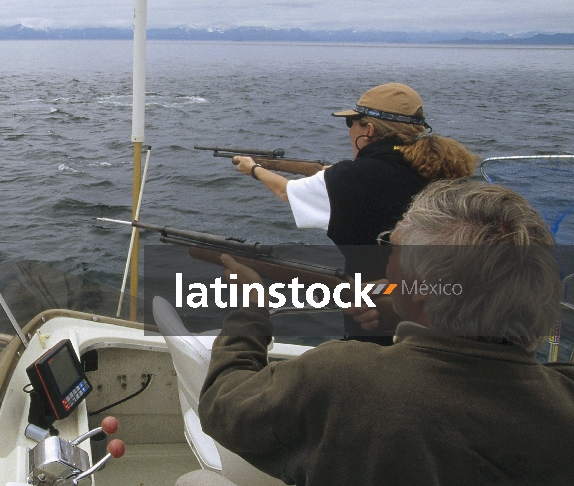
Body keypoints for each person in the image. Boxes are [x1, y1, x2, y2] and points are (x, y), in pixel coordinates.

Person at [199, 181, 574, 486]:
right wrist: (407, 305)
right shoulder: (560, 398)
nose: (386, 260)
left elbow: (222, 404)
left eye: (391, 247)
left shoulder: (343, 377)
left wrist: (248, 310)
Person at [234, 82, 477, 340]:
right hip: (446, 309)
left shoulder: (352, 179)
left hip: (374, 313)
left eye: (352, 123)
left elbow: (286, 192)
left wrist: (252, 169)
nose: (349, 130)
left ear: (369, 129)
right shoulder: (437, 167)